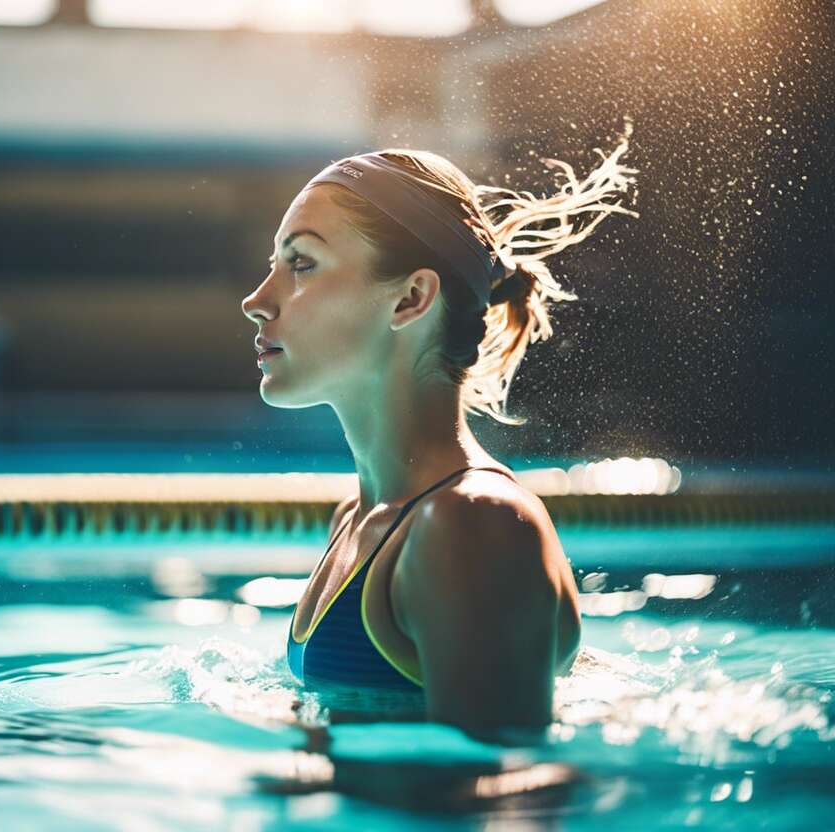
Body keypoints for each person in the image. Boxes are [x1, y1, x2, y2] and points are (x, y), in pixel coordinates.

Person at [240, 124, 639, 743]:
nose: (257, 300)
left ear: (411, 299)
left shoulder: (470, 524)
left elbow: (504, 795)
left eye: (302, 264)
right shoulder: (360, 519)